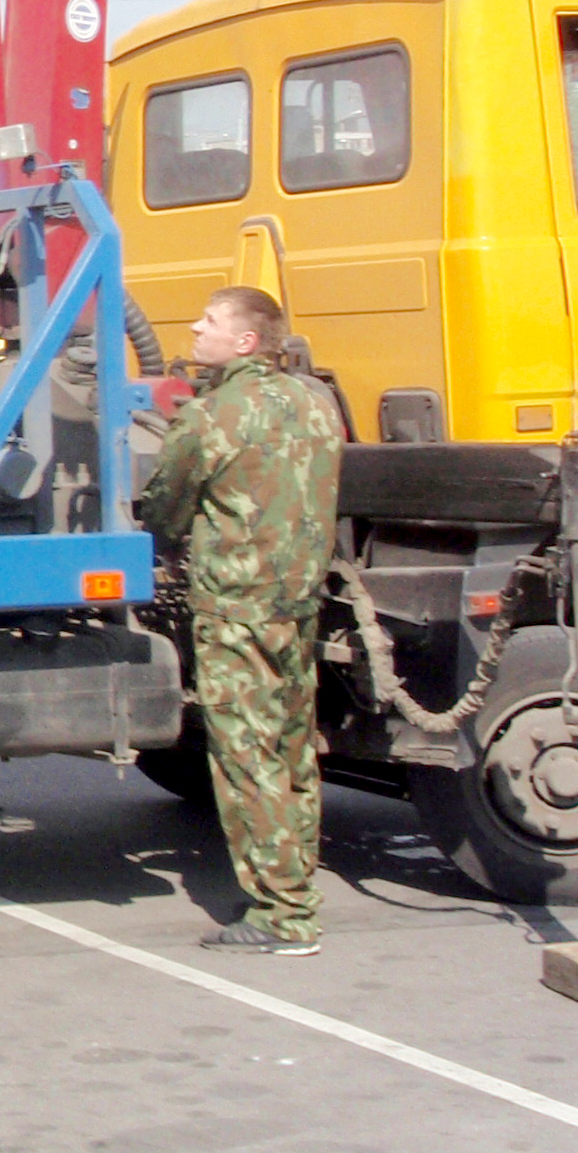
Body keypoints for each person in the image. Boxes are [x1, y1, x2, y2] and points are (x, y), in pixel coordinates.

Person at [137, 285, 344, 957]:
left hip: (235, 612)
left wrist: (166, 541)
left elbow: (167, 502)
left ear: (247, 341)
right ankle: (298, 888)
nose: (197, 327)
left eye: (213, 321)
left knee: (247, 759)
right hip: (296, 606)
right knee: (290, 751)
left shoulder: (212, 415)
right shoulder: (316, 405)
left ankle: (284, 916)